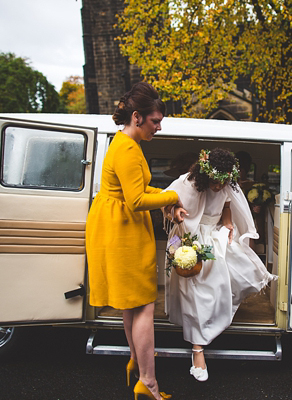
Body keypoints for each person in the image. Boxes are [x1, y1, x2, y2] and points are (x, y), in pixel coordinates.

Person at [85, 82, 183, 400]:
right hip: (121, 230)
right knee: (143, 304)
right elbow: (138, 198)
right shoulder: (128, 149)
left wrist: (168, 199)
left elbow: (141, 189)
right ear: (137, 117)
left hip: (118, 226)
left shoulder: (126, 142)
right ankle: (149, 382)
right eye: (155, 121)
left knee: (131, 303)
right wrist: (174, 195)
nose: (160, 126)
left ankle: (136, 364)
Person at [162, 148, 277, 382]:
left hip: (214, 235)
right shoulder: (186, 182)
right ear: (205, 175)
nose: (218, 187)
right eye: (215, 182)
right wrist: (175, 212)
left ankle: (214, 318)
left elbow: (226, 206)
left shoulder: (225, 185)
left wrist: (229, 224)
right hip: (184, 236)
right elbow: (165, 203)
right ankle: (197, 349)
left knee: (233, 275)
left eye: (223, 182)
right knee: (196, 290)